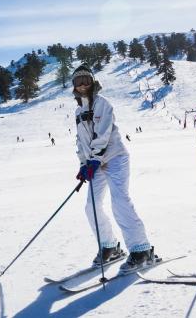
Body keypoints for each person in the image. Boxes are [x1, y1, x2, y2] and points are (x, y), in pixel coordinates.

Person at [71, 64, 153, 273]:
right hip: (94, 163)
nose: (82, 85)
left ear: (92, 82)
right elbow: (81, 141)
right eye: (78, 81)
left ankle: (141, 249)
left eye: (85, 80)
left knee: (119, 201)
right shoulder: (79, 111)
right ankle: (109, 246)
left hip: (115, 157)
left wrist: (95, 159)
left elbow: (103, 133)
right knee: (91, 206)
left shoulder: (102, 104)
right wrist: (83, 164)